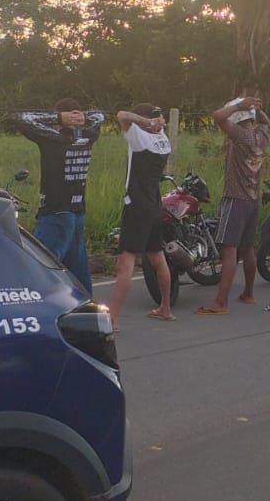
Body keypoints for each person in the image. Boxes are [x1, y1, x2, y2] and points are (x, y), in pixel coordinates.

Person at [14, 100, 106, 290]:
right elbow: (99, 116)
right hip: (77, 212)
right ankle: (86, 306)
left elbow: (23, 119)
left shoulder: (53, 139)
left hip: (55, 212)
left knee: (39, 269)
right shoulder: (88, 136)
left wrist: (58, 117)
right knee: (78, 273)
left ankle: (43, 307)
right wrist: (83, 117)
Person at [199, 97, 270, 315]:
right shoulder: (261, 136)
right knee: (247, 248)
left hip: (235, 198)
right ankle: (248, 293)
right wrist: (256, 109)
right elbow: (265, 121)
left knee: (229, 249)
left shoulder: (241, 135)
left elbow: (217, 117)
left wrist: (239, 106)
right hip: (253, 199)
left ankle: (221, 302)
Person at [107, 104, 174, 329]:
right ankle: (165, 308)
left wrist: (146, 122)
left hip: (136, 205)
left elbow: (122, 115)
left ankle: (113, 318)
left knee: (125, 263)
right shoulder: (163, 139)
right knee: (157, 256)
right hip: (155, 204)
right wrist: (154, 122)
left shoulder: (140, 139)